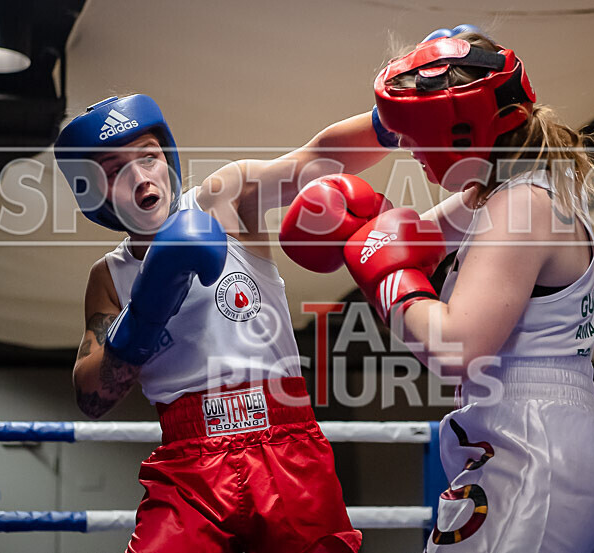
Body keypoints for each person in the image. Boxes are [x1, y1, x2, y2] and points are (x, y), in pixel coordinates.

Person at [280, 26, 594, 553]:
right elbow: (412, 239)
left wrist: (383, 272)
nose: (405, 145)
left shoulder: (518, 205)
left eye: (415, 130)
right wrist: (363, 229)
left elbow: (457, 347)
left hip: (533, 449)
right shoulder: (510, 193)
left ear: (462, 130)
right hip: (564, 443)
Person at [54, 93, 388, 553]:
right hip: (188, 465)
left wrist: (396, 118)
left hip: (286, 442)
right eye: (114, 170)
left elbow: (315, 159)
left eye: (148, 157)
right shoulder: (109, 277)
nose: (139, 176)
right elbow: (91, 396)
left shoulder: (222, 200)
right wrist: (145, 312)